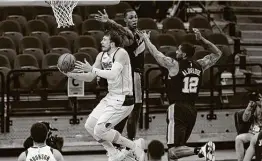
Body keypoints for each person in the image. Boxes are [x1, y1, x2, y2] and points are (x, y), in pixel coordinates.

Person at [136, 28, 222, 161]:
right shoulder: (200, 65)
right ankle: (201, 150)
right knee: (179, 150)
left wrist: (146, 39)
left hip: (177, 108)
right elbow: (218, 53)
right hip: (192, 110)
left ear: (184, 54)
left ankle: (202, 150)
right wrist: (202, 39)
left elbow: (156, 54)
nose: (176, 52)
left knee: (172, 151)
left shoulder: (174, 65)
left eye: (179, 50)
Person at [59, 30, 145, 161]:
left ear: (112, 43)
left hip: (124, 98)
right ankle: (113, 152)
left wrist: (92, 69)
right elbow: (90, 77)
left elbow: (112, 74)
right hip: (111, 97)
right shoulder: (101, 55)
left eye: (104, 40)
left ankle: (133, 146)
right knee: (90, 125)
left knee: (100, 130)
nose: (101, 42)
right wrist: (70, 75)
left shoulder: (121, 53)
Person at [95, 9, 145, 140]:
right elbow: (126, 33)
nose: (134, 19)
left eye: (135, 17)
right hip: (130, 77)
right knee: (128, 110)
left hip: (137, 76)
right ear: (125, 20)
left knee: (133, 111)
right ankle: (122, 141)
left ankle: (126, 142)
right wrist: (109, 21)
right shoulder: (124, 36)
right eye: (131, 17)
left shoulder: (140, 34)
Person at [237, 92, 262, 161]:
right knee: (238, 138)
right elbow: (245, 119)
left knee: (254, 140)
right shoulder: (254, 106)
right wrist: (248, 108)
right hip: (252, 133)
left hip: (260, 134)